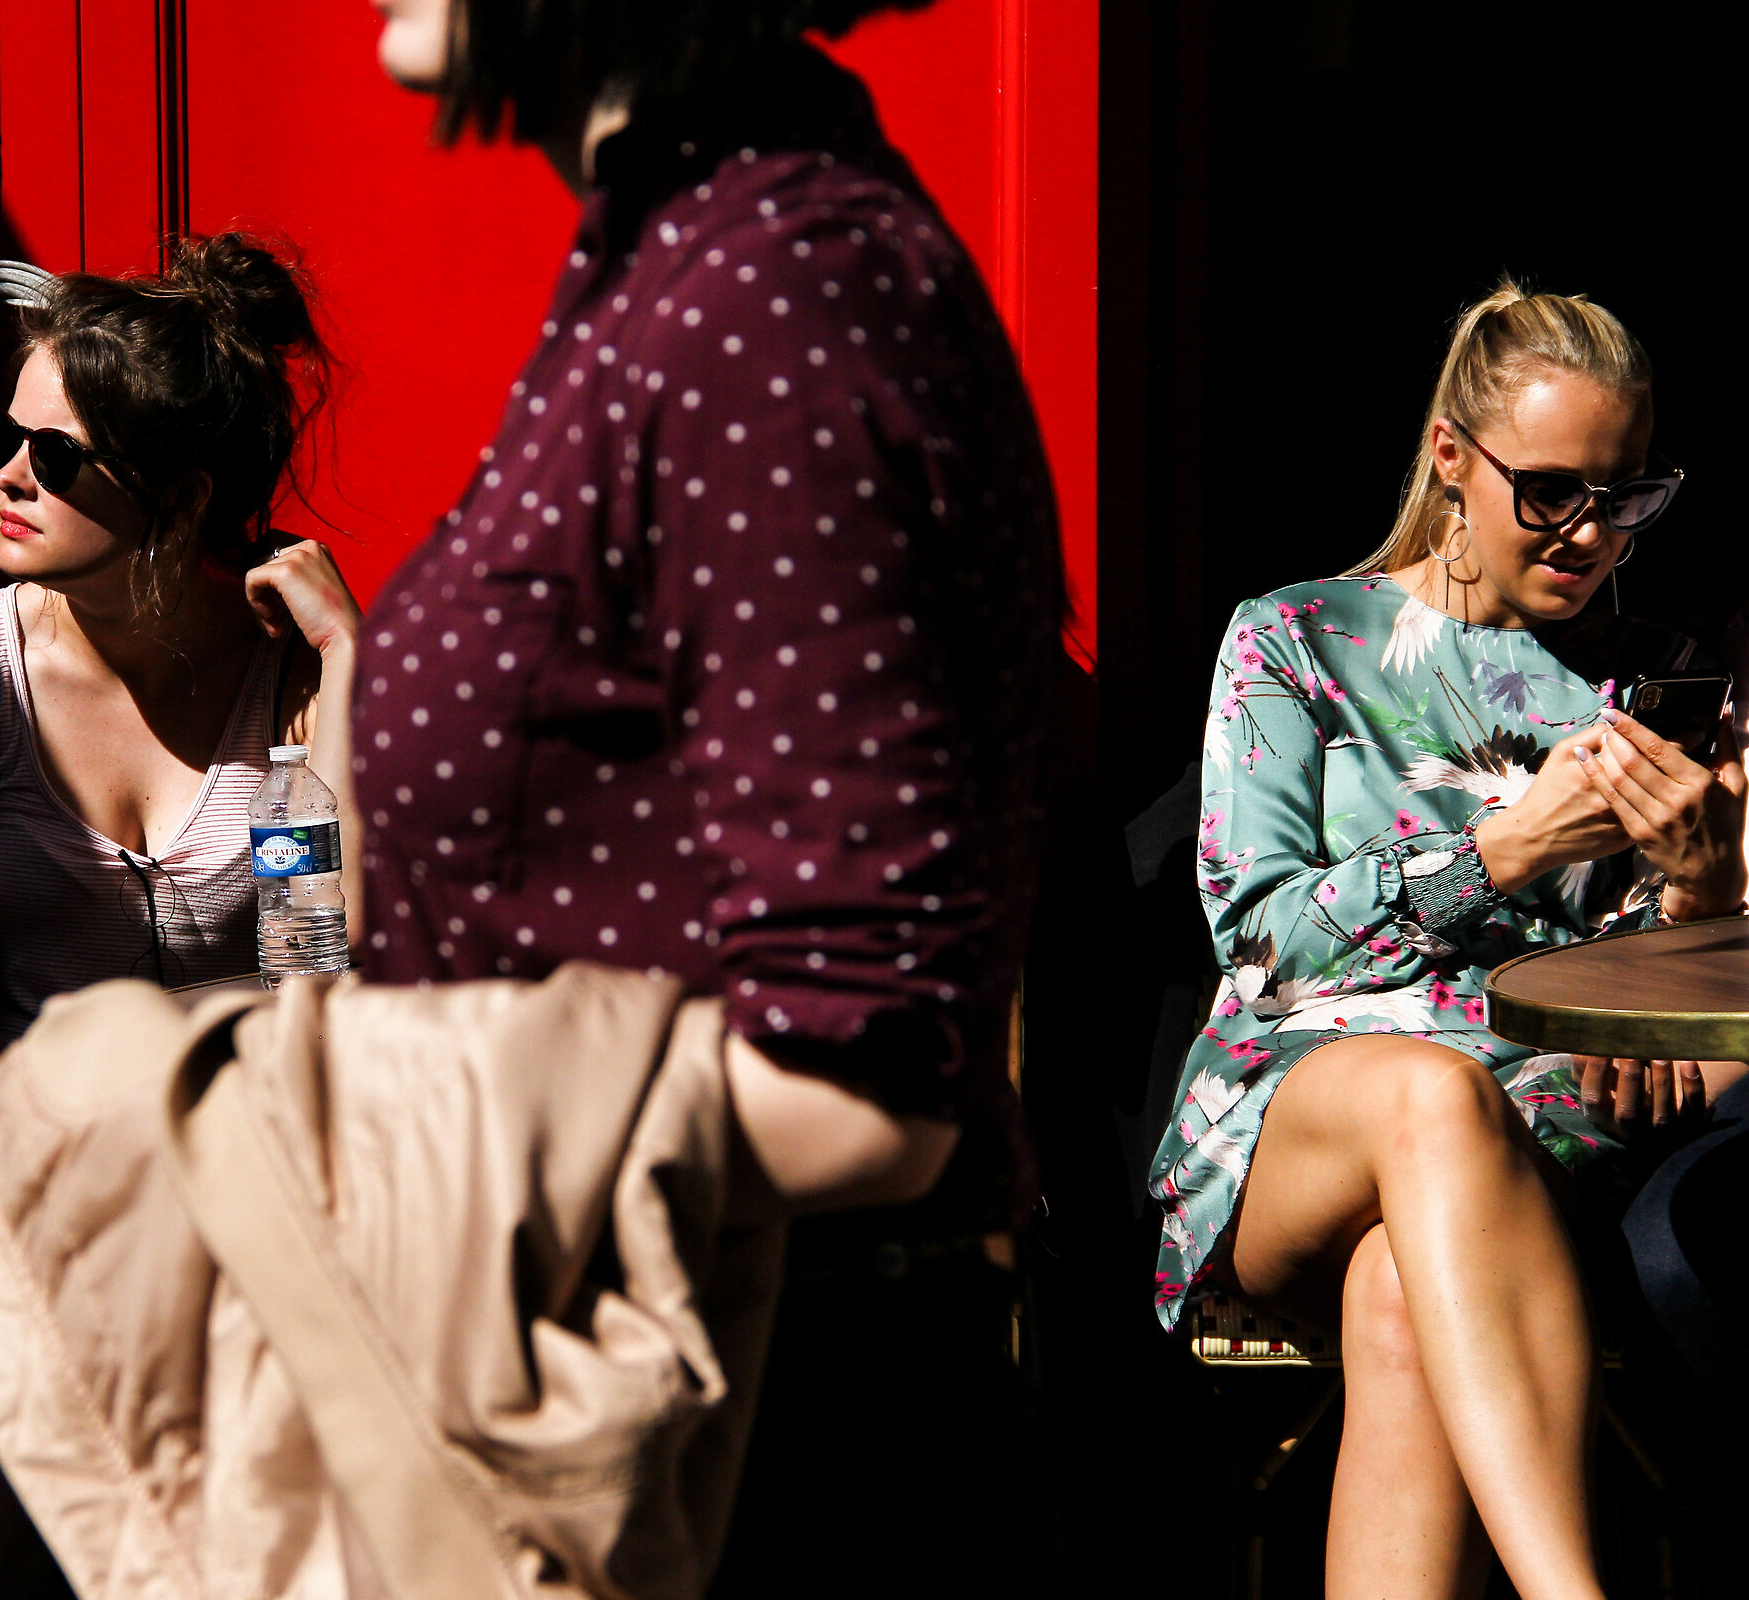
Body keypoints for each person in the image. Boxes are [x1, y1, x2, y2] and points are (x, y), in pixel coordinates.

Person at [360, 0, 1061, 1579]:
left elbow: (862, 1083)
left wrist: (304, 1150)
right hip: (667, 1397)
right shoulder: (696, 250)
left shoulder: (780, 294)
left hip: (759, 1448)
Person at [1150, 281, 1746, 1600]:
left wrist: (1704, 901)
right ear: (1450, 461)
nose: (1591, 533)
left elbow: (1676, 1015)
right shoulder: (1298, 639)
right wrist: (1507, 848)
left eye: (1627, 494)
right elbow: (1261, 945)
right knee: (1434, 1100)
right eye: (1549, 492)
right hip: (1304, 1115)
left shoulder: (1674, 668)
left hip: (1543, 1130)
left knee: (1400, 1303)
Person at [0, 234, 362, 1600]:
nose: (11, 477)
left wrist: (349, 673)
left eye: (60, 458)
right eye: (10, 440)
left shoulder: (284, 694)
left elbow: (312, 972)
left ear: (182, 502)